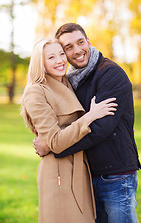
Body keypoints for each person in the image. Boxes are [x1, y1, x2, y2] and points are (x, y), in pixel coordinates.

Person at [33, 23, 141, 223]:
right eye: (69, 47)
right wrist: (51, 138)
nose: (77, 51)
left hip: (116, 175)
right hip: (89, 173)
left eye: (80, 42)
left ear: (88, 42)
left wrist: (53, 147)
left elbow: (101, 128)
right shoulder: (71, 80)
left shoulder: (111, 74)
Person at [21, 38, 118, 223]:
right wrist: (90, 116)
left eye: (61, 54)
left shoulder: (68, 83)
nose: (60, 60)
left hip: (80, 168)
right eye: (51, 57)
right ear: (40, 62)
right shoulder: (36, 91)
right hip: (58, 173)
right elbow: (55, 142)